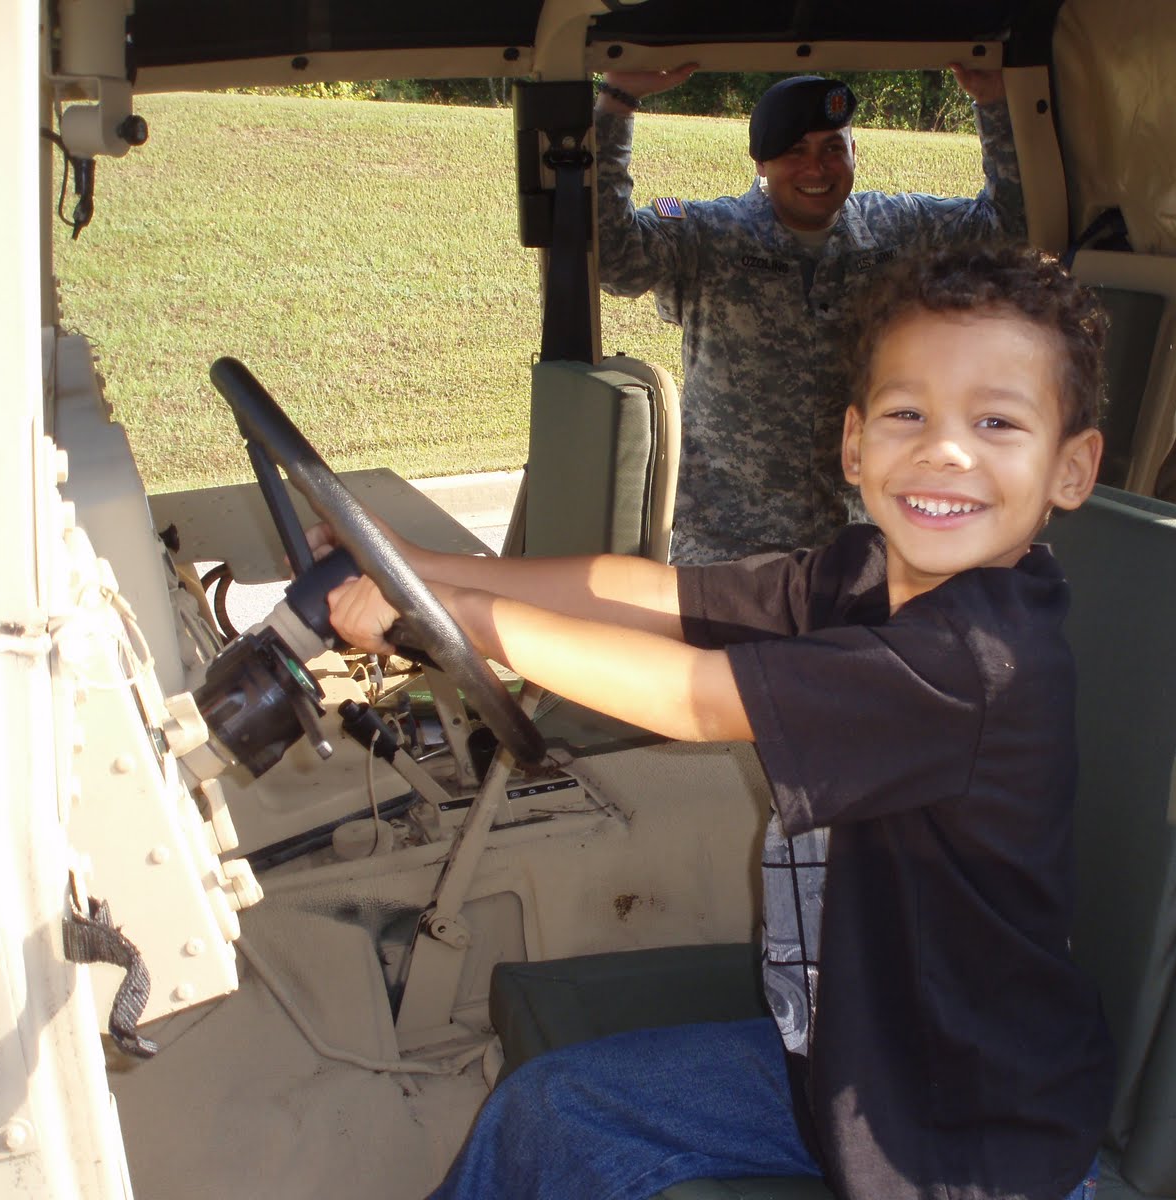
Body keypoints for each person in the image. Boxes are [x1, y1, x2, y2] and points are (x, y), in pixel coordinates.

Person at [325, 242, 1115, 1199]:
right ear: (854, 444)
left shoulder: (975, 659)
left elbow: (695, 696)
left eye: (997, 422)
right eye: (909, 413)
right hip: (851, 1057)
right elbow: (656, 596)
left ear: (1072, 468)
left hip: (963, 1141)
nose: (945, 450)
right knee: (551, 1110)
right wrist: (421, 566)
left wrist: (454, 620)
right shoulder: (866, 576)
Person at [594, 65, 1027, 565]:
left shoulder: (895, 229)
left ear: (855, 152)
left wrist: (994, 103)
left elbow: (1010, 231)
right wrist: (616, 104)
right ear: (761, 162)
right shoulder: (709, 235)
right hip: (727, 549)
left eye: (832, 149)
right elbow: (612, 260)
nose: (817, 170)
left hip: (860, 546)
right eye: (795, 151)